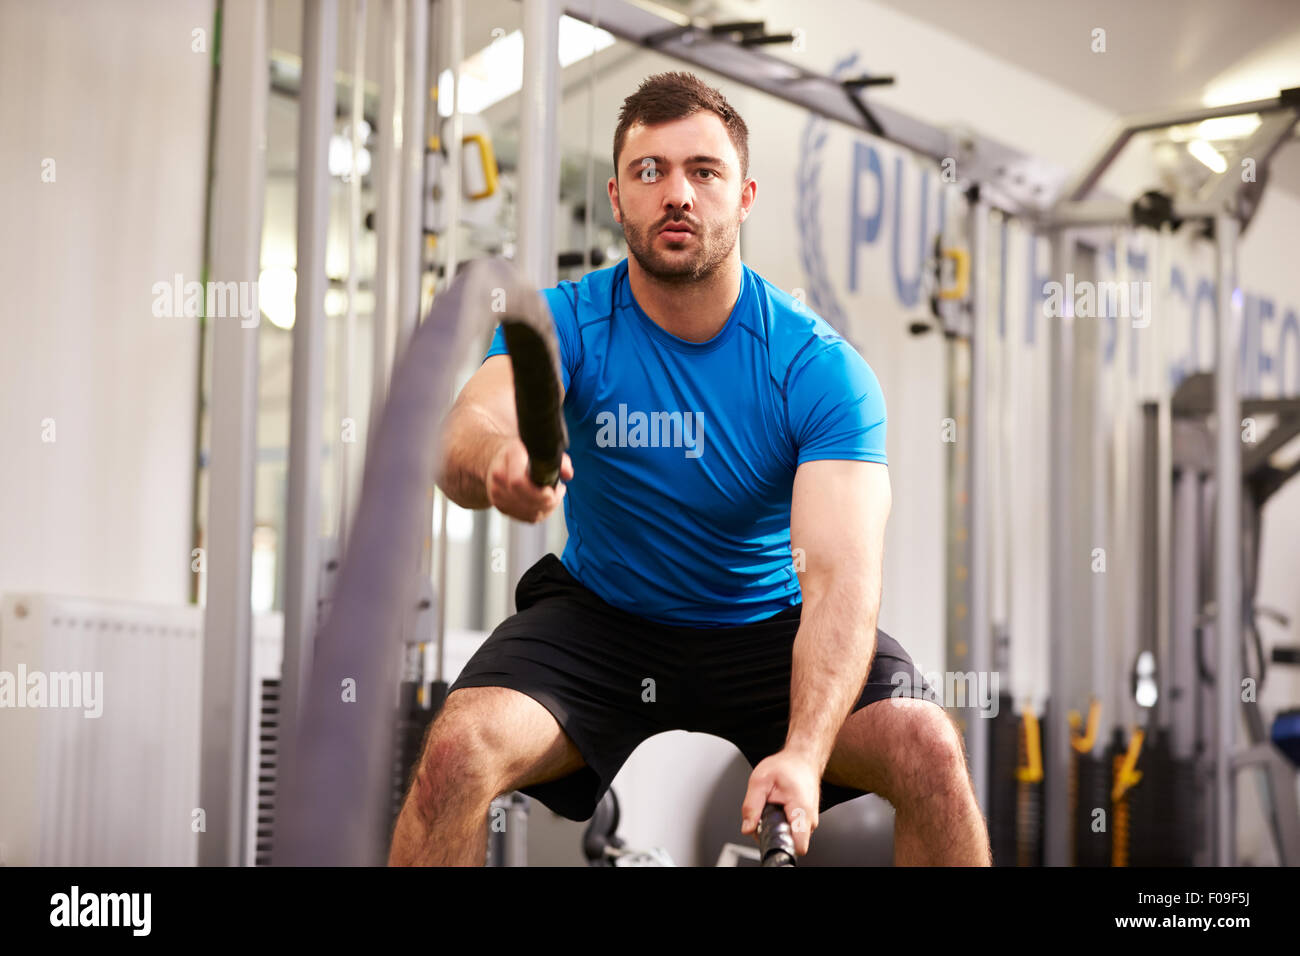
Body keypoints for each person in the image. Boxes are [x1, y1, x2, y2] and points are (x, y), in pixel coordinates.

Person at [389, 71, 991, 866]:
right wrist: (499, 458)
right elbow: (466, 427)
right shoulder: (567, 320)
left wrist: (806, 754)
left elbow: (843, 580)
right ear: (616, 196)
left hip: (769, 631)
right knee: (457, 753)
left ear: (743, 196)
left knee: (932, 754)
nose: (677, 193)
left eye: (703, 172)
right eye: (651, 171)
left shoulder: (816, 367)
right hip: (603, 617)